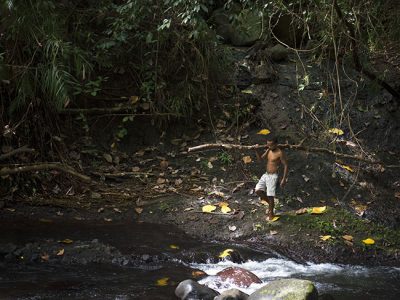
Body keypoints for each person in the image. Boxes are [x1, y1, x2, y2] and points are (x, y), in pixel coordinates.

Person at [255, 135, 288, 220]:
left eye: (271, 145)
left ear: (276, 144)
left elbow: (285, 165)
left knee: (270, 196)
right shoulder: (269, 150)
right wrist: (256, 150)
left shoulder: (280, 153)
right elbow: (260, 160)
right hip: (266, 174)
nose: (269, 146)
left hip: (273, 176)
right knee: (258, 190)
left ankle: (271, 214)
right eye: (268, 145)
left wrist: (284, 179)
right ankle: (271, 204)